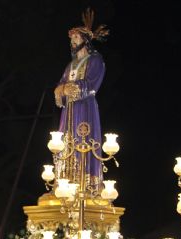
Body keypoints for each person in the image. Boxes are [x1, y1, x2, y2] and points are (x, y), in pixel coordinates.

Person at [53, 9, 108, 190]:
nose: (72, 41)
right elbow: (61, 83)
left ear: (85, 40)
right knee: (66, 141)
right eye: (71, 39)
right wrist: (61, 89)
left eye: (76, 38)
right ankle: (64, 180)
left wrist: (72, 88)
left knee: (84, 139)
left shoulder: (96, 60)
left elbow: (92, 82)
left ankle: (86, 181)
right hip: (68, 109)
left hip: (85, 107)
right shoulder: (71, 65)